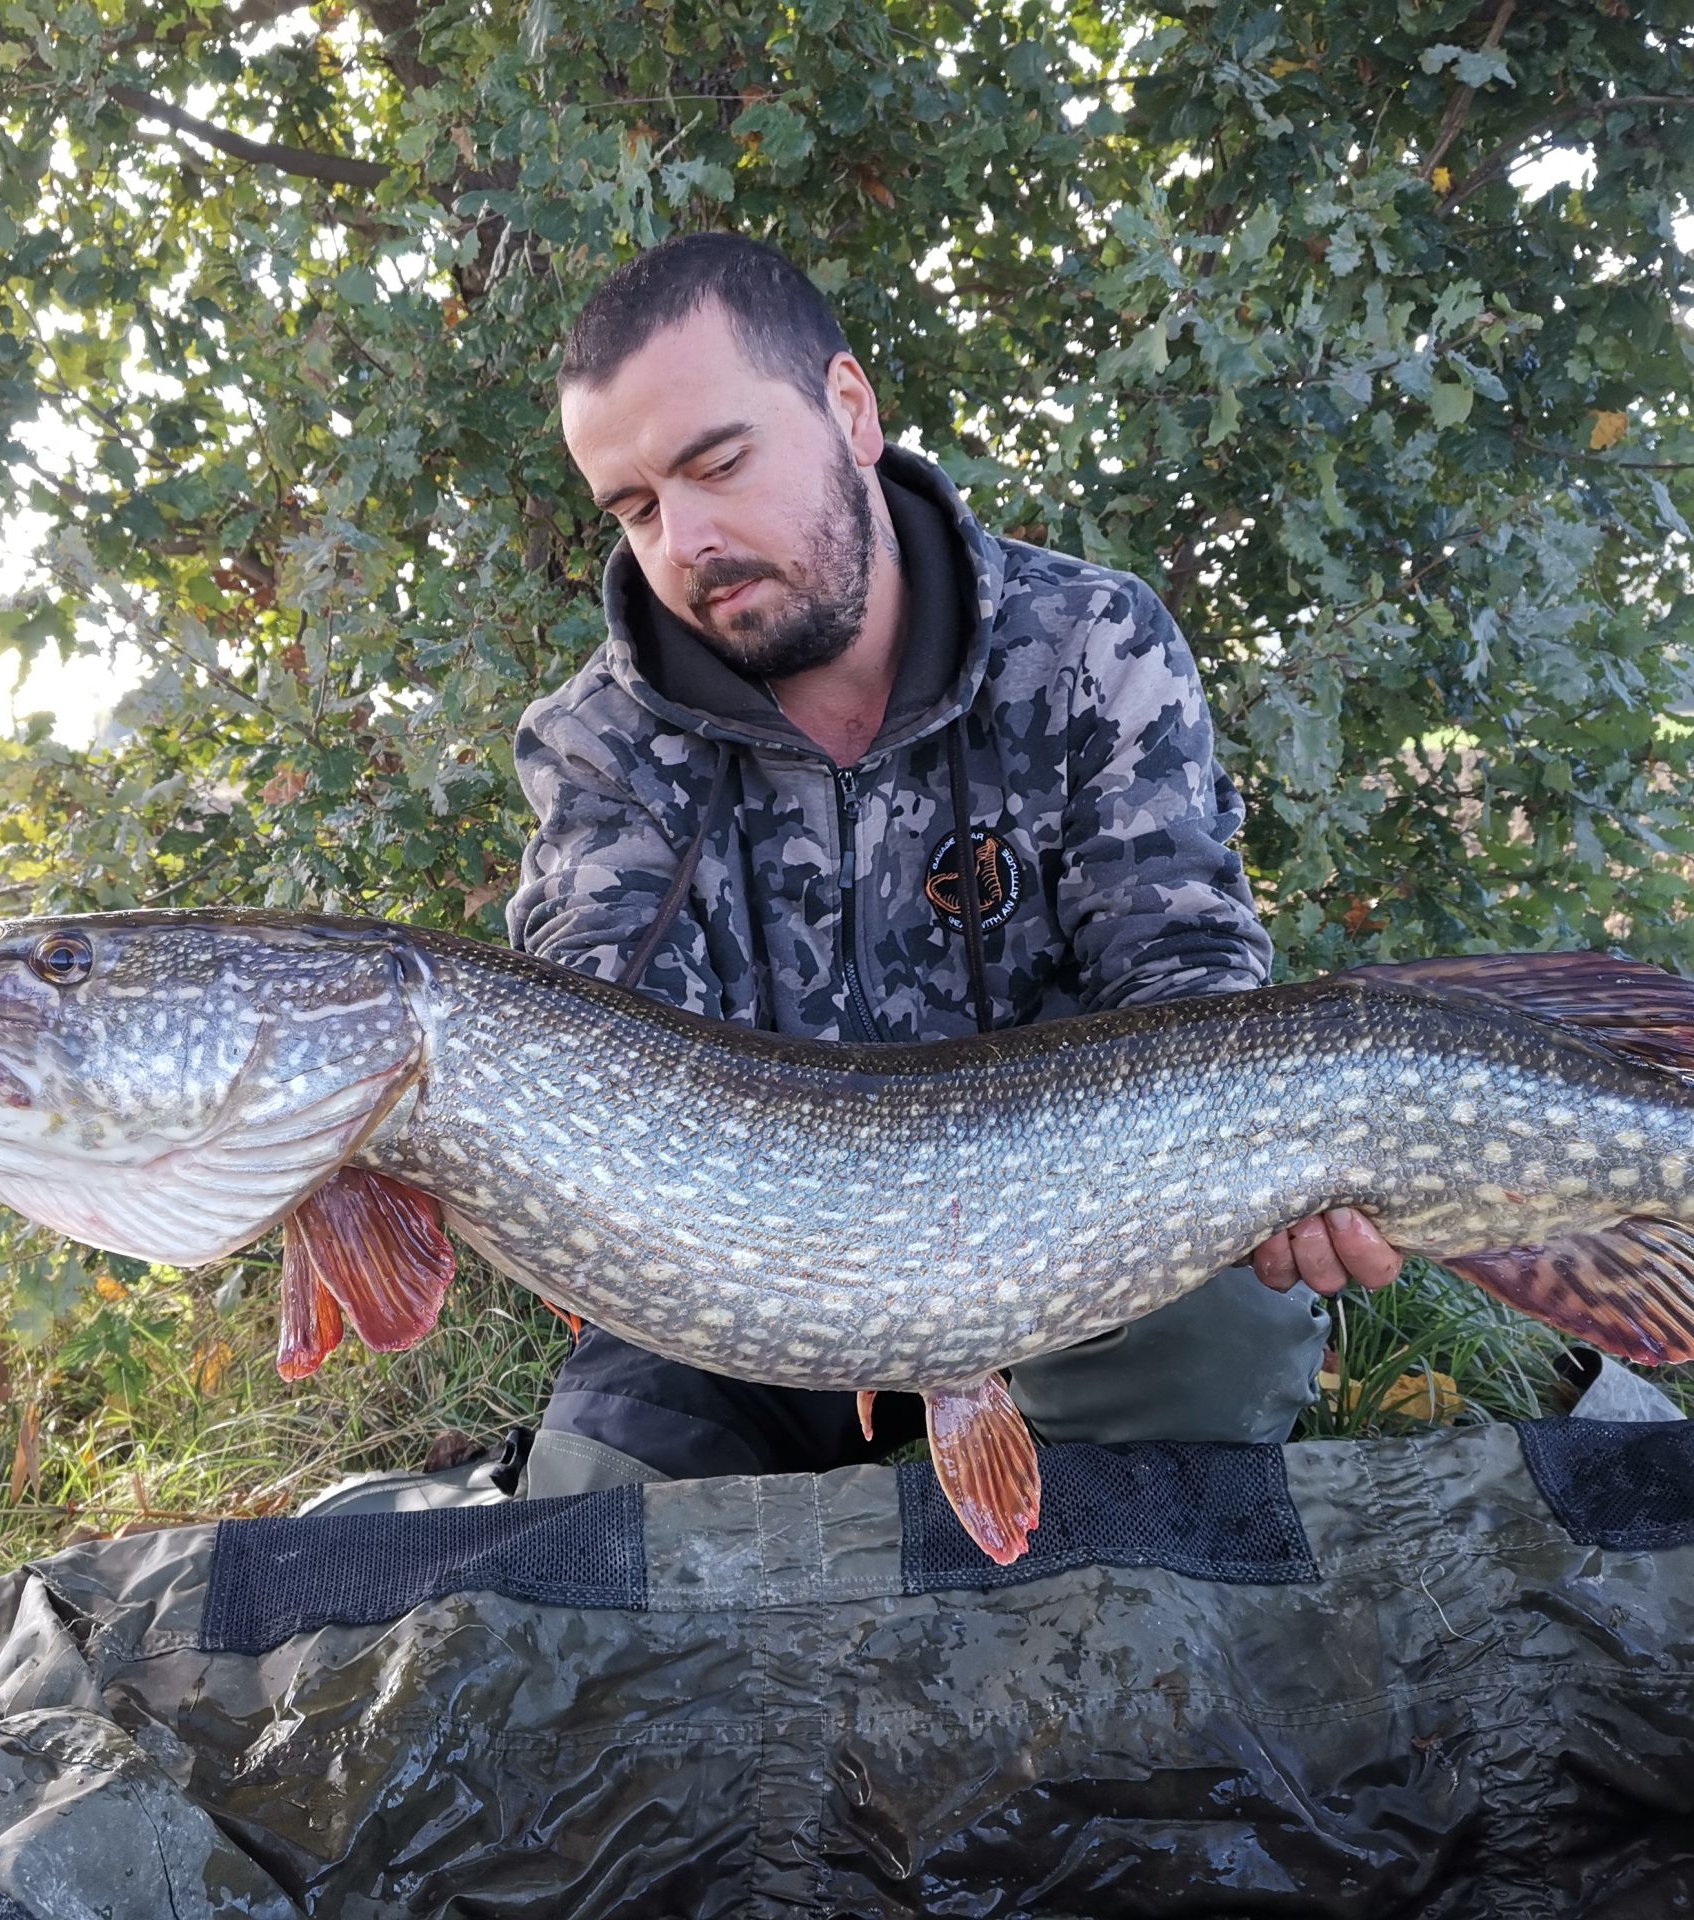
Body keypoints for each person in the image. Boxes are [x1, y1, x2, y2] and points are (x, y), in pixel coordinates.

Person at [503, 234, 1402, 1499]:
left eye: (720, 463)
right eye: (638, 509)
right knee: (585, 1542)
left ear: (850, 410)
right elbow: (599, 1060)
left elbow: (1184, 978)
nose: (686, 540)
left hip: (1071, 1253)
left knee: (1224, 1335)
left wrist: (1258, 1166)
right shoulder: (600, 740)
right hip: (747, 1295)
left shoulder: (1088, 644)